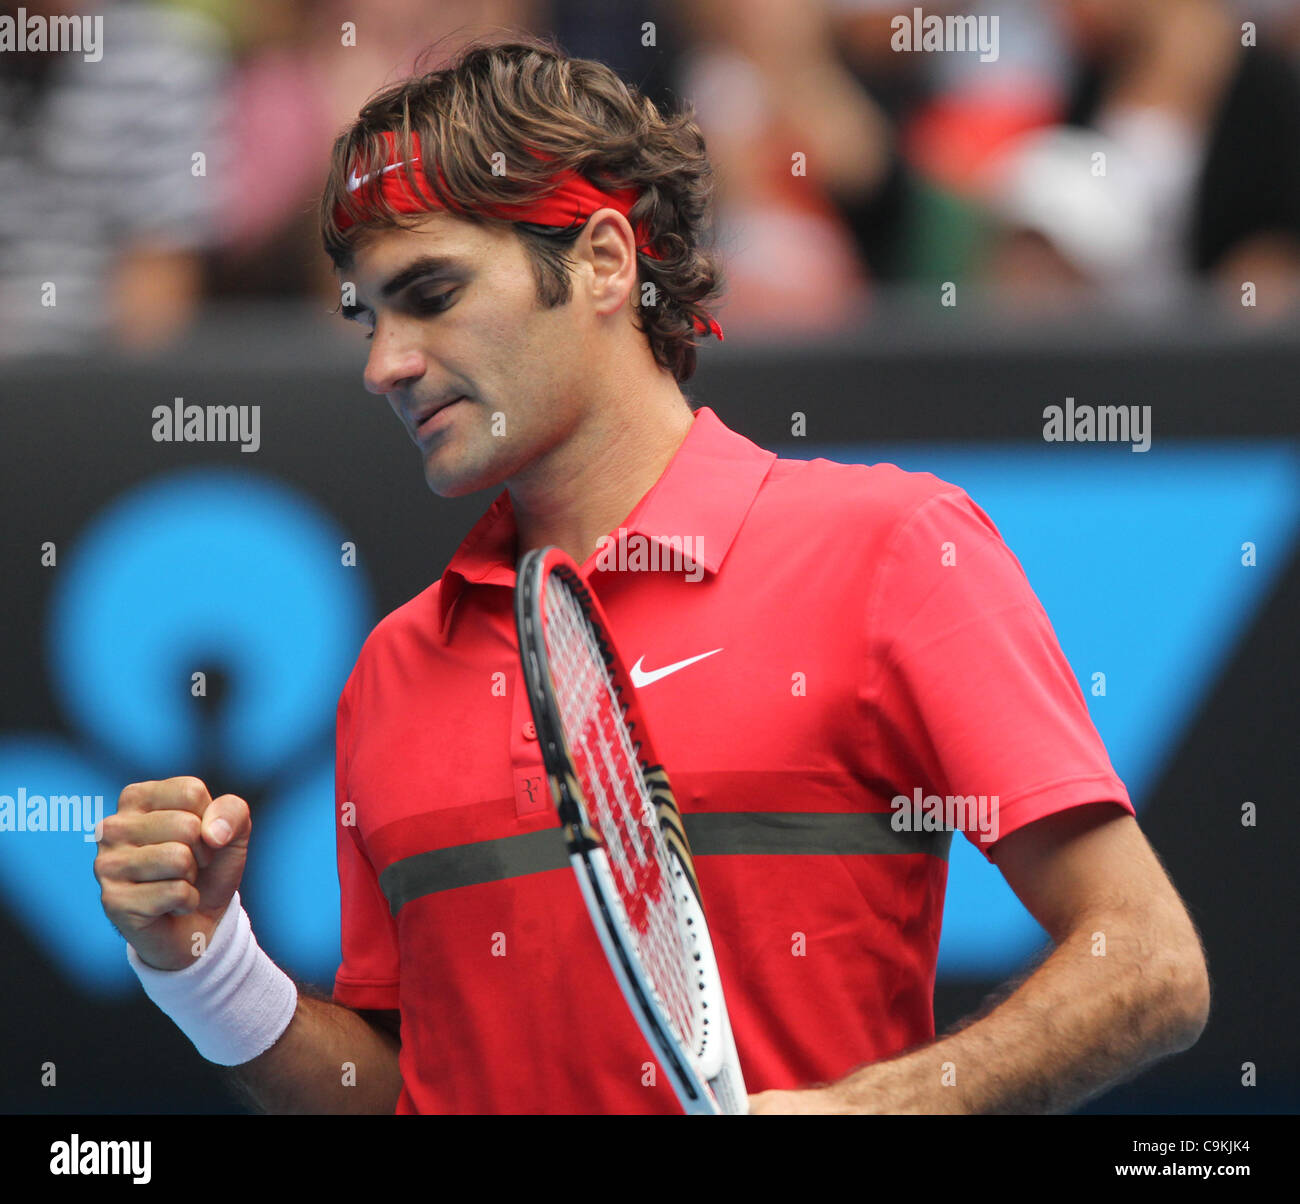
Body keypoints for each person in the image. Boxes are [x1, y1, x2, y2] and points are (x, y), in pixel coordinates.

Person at [95, 35, 1209, 1115]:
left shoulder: (896, 547)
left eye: (430, 296)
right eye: (367, 317)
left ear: (603, 261)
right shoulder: (388, 671)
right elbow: (411, 1089)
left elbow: (1147, 961)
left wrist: (882, 1108)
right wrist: (206, 969)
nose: (385, 363)